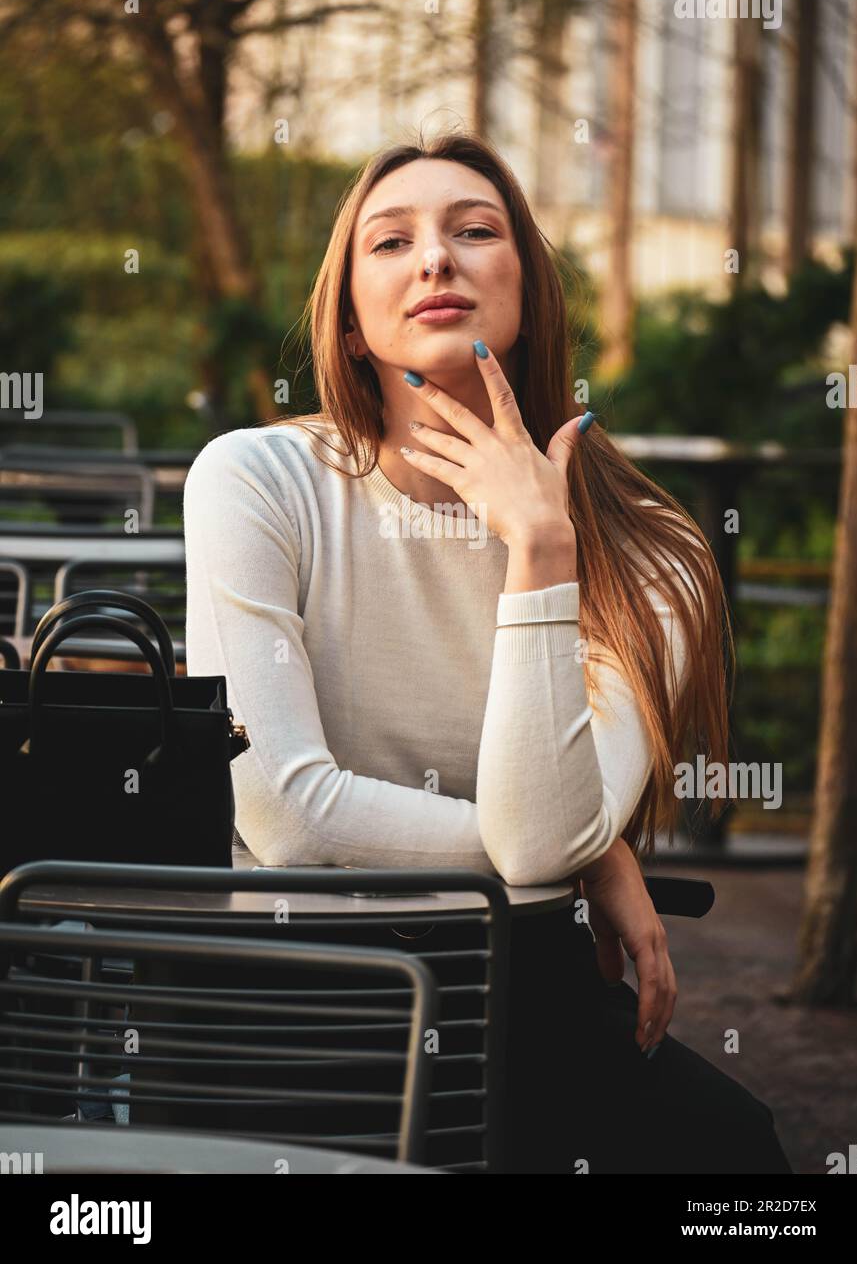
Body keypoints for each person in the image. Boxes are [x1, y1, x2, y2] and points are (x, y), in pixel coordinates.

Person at [183, 129, 793, 1174]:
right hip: (294, 978)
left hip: (521, 981)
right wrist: (592, 853)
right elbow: (286, 819)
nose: (434, 259)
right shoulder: (256, 479)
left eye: (473, 231)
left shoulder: (652, 553)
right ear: (348, 313)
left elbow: (539, 839)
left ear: (530, 289)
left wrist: (541, 549)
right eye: (391, 242)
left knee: (736, 1161)